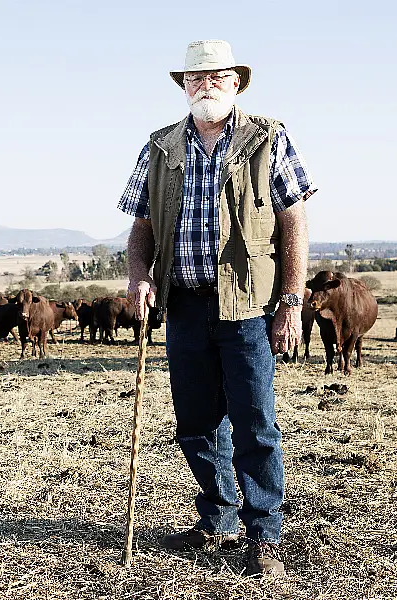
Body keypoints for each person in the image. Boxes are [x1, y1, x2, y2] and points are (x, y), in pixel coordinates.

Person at [119, 40, 315, 576]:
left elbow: (293, 221)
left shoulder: (267, 138)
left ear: (237, 84)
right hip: (183, 305)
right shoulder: (160, 146)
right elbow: (141, 227)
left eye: (216, 76)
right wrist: (138, 277)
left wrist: (292, 302)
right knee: (197, 421)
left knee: (255, 422)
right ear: (184, 86)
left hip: (249, 304)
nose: (204, 85)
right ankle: (218, 518)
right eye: (194, 77)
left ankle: (264, 534)